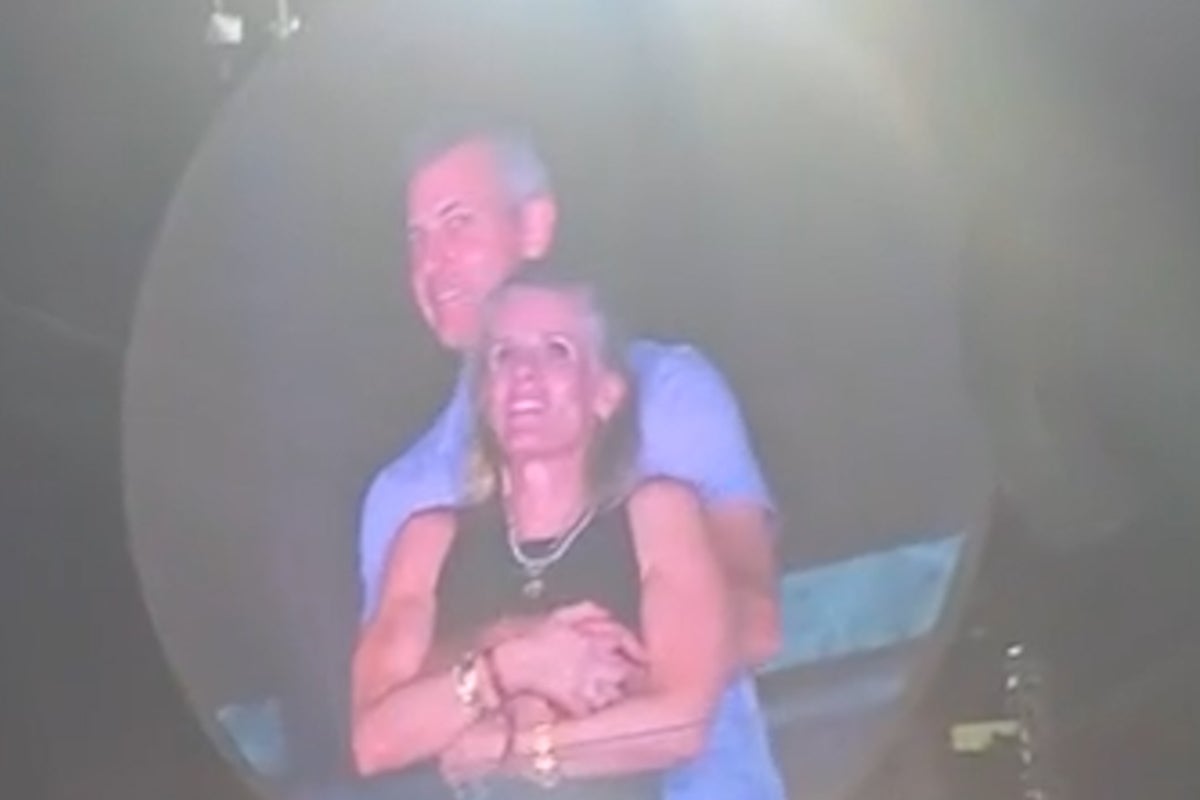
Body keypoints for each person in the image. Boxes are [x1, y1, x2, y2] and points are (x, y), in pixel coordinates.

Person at [358, 117, 784, 798]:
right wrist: (521, 650)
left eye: (458, 223)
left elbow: (756, 626)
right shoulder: (406, 497)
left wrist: (551, 701)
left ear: (534, 225)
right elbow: (384, 718)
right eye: (417, 238)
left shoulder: (669, 395)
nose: (434, 263)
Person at [354, 273, 745, 798]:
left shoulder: (658, 516)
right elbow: (374, 741)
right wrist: (512, 664)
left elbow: (681, 724)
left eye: (556, 350)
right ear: (484, 395)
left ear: (606, 393)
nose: (524, 373)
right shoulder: (427, 541)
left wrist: (516, 748)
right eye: (503, 355)